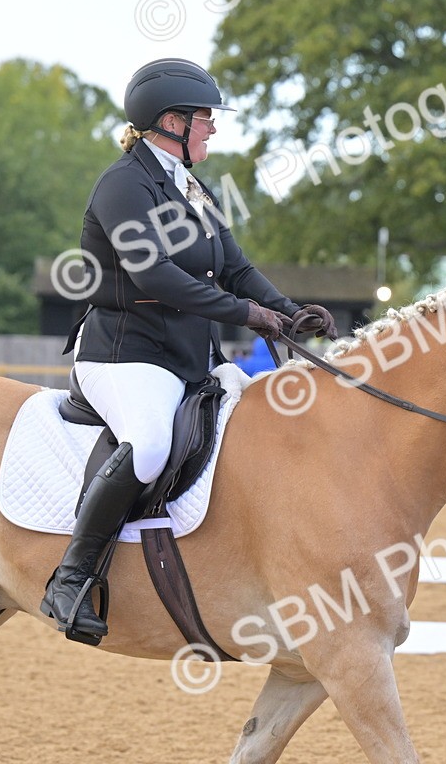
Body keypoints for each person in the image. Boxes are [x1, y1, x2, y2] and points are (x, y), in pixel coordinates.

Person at [42, 58, 339, 643]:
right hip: (126, 357)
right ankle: (72, 576)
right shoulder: (124, 184)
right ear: (170, 121)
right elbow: (153, 275)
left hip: (190, 360)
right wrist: (245, 314)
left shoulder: (192, 187)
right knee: (149, 445)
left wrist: (285, 310)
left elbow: (234, 265)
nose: (212, 129)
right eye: (205, 118)